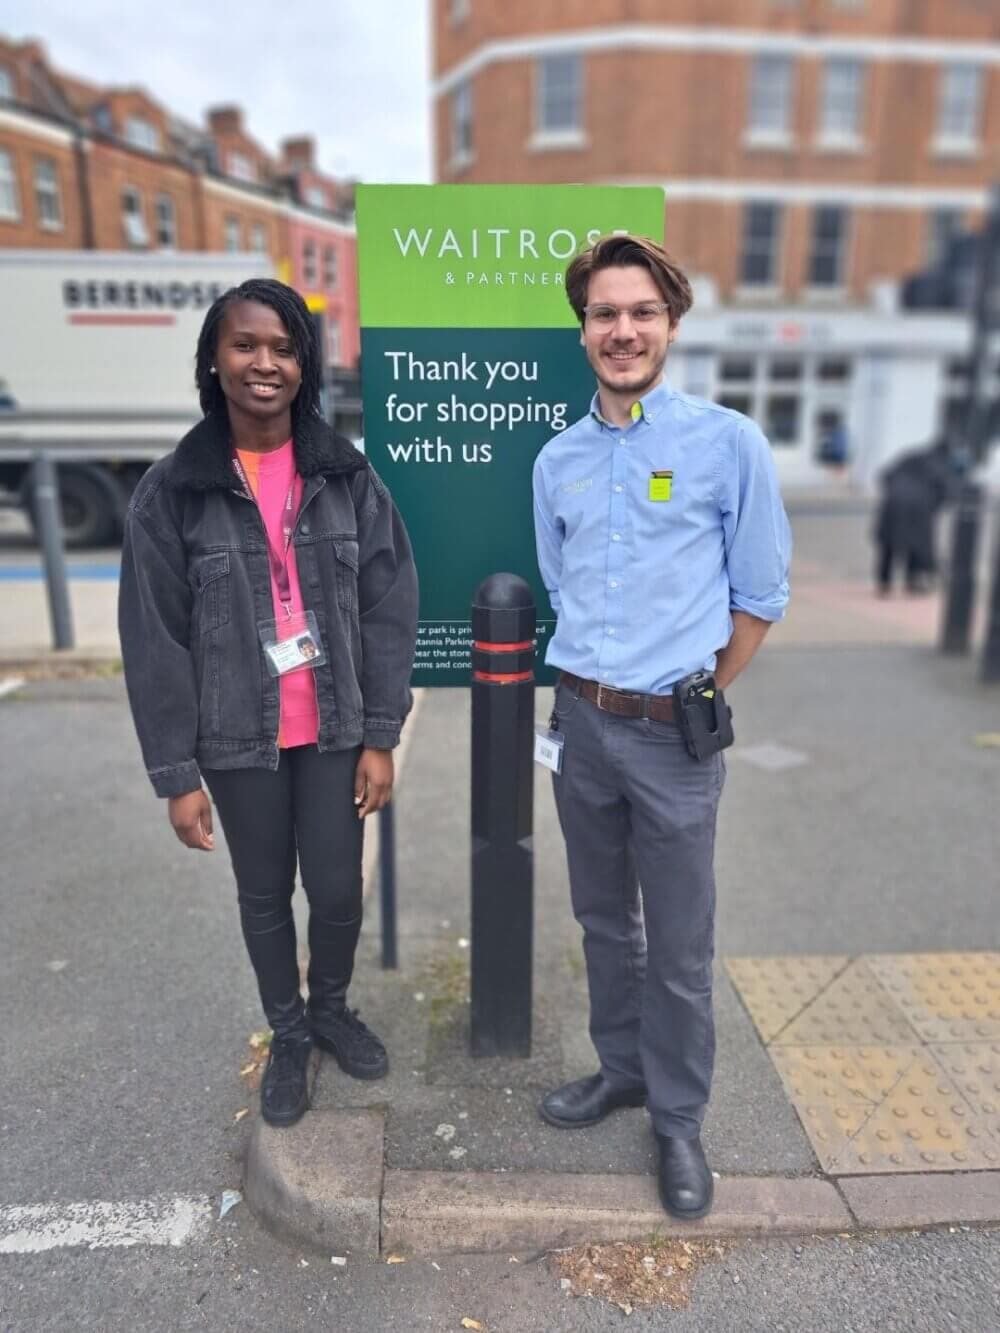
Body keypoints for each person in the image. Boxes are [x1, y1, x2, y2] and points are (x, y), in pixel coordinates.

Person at [532, 235, 790, 1221]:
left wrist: (692, 686)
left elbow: (759, 594)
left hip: (673, 738)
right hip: (579, 725)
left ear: (670, 324)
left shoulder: (727, 444)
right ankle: (621, 1070)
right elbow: (558, 582)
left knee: (679, 941)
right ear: (584, 329)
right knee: (602, 919)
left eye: (641, 311)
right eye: (604, 313)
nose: (622, 330)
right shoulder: (555, 460)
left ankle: (678, 1118)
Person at [118, 279, 418, 1128]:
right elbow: (155, 638)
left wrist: (380, 733)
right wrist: (177, 773)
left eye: (284, 348)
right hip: (235, 736)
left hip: (332, 728)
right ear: (214, 360)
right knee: (263, 892)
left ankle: (328, 1005)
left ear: (304, 365)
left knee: (336, 888)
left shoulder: (345, 476)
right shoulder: (173, 491)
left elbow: (389, 604)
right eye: (246, 344)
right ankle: (287, 1032)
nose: (265, 362)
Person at [873, 440, 952, 595]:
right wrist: (933, 506)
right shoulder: (942, 465)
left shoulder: (911, 456)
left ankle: (884, 583)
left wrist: (893, 492)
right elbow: (946, 491)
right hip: (920, 507)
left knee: (888, 545)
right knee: (916, 545)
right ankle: (911, 583)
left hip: (894, 502)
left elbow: (885, 475)